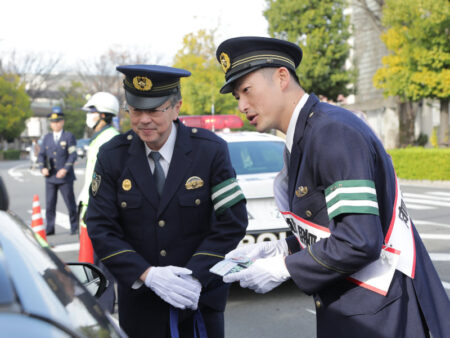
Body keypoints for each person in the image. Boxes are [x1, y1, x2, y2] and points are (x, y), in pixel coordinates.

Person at [216, 36, 450, 338]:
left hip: (380, 313)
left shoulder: (330, 132)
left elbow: (358, 240)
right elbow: (331, 227)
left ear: (282, 77)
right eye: (237, 96)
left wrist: (285, 268)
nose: (242, 105)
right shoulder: (306, 134)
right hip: (360, 305)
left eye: (246, 90)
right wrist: (280, 248)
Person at [86, 64, 248, 338]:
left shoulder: (209, 151)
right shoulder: (113, 155)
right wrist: (146, 274)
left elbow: (230, 222)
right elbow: (101, 227)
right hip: (140, 304)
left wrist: (194, 276)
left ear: (176, 107)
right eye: (136, 110)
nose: (143, 120)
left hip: (198, 300)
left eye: (154, 110)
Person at [77, 92, 120, 314]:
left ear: (103, 115)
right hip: (91, 210)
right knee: (94, 264)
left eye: (92, 112)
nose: (89, 116)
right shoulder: (101, 138)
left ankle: (102, 313)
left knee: (102, 265)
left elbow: (104, 182)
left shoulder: (109, 138)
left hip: (99, 212)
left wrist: (94, 211)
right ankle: (97, 309)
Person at [37, 107, 78, 235]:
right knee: (49, 205)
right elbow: (41, 155)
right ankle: (50, 229)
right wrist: (42, 167)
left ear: (62, 122)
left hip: (65, 177)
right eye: (53, 122)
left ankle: (74, 227)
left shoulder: (68, 136)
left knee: (70, 203)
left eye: (58, 121)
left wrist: (65, 169)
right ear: (50, 123)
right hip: (50, 177)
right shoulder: (47, 138)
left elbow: (73, 155)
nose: (55, 124)